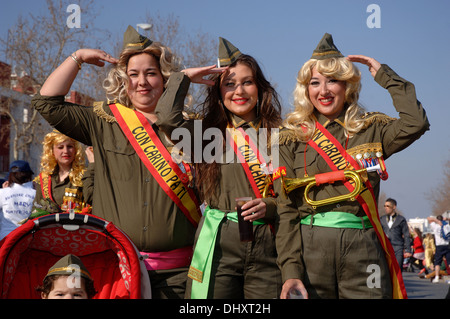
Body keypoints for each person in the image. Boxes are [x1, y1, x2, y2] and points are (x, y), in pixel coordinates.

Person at [32, 26, 220, 299]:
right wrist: (79, 57)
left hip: (180, 273)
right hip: (118, 268)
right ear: (123, 80)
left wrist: (185, 79)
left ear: (166, 78)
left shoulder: (191, 130)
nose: (141, 82)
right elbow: (46, 103)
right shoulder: (103, 121)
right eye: (133, 74)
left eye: (151, 73)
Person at [274, 33, 429, 299]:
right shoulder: (289, 137)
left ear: (347, 86)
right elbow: (286, 211)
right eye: (315, 82)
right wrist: (290, 270)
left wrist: (384, 75)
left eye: (333, 80)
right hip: (310, 249)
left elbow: (415, 123)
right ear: (306, 89)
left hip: (363, 249)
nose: (323, 91)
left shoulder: (372, 127)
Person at [155, 37, 282, 298]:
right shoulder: (207, 136)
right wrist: (185, 77)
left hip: (267, 246)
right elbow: (167, 118)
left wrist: (269, 206)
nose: (239, 91)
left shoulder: (280, 136)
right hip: (219, 244)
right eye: (229, 84)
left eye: (247, 82)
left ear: (259, 88)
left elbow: (292, 198)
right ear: (218, 92)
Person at [32, 130, 89, 214]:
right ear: (52, 151)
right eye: (60, 147)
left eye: (70, 146)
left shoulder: (85, 176)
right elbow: (36, 210)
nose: (66, 151)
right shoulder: (44, 178)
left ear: (76, 150)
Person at [0, 160, 36, 240]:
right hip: (28, 237)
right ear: (30, 175)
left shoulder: (3, 193)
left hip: (6, 237)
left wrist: (4, 191)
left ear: (11, 176)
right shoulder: (35, 194)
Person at [380, 198, 412, 269]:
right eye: (385, 206)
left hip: (398, 248)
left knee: (397, 269)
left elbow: (406, 235)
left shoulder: (401, 219)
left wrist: (408, 250)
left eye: (388, 206)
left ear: (394, 207)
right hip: (385, 248)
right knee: (386, 270)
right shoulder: (381, 219)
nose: (385, 208)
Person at [427, 215, 450, 283]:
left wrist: (436, 220)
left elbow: (428, 218)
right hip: (447, 245)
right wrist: (447, 218)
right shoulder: (447, 226)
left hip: (439, 246)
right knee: (449, 262)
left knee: (437, 262)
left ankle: (436, 277)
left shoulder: (435, 226)